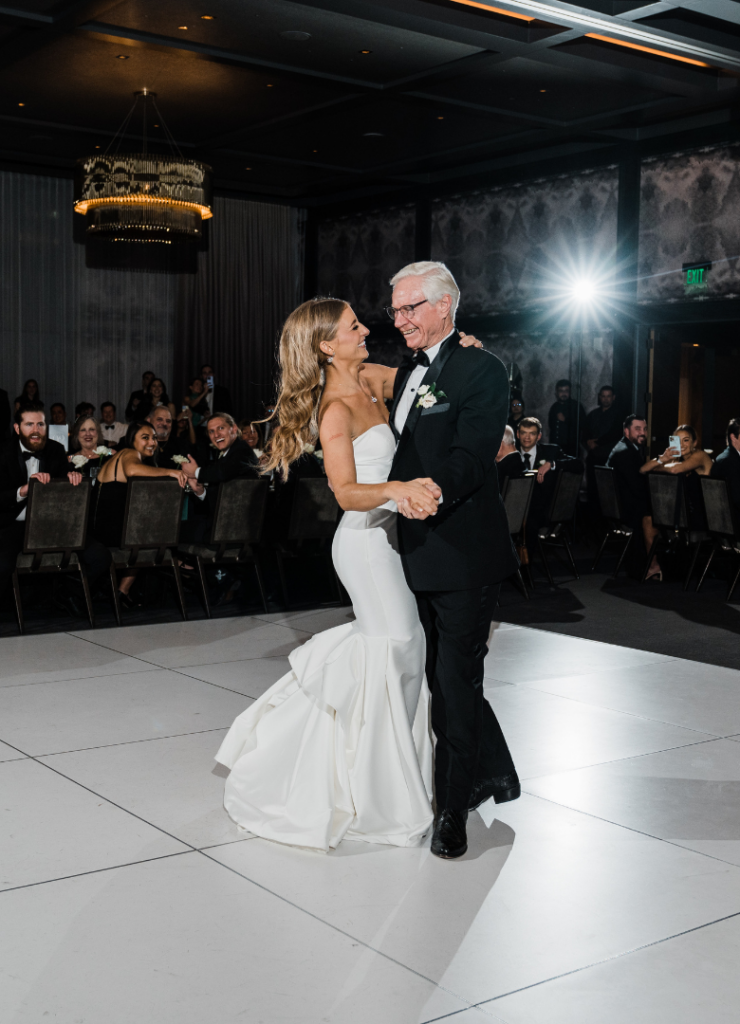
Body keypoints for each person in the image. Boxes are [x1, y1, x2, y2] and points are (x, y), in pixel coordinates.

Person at [215, 287, 490, 856]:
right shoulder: (334, 408)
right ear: (325, 346)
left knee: (401, 656)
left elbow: (424, 381)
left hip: (394, 539)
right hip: (365, 544)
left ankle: (395, 778)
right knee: (398, 649)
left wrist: (460, 351)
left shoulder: (369, 380)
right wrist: (400, 488)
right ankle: (369, 789)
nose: (366, 331)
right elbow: (345, 492)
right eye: (353, 328)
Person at [0, 403, 111, 618]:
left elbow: (66, 484)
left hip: (51, 525)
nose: (36, 430)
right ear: (17, 428)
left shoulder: (55, 450)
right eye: (29, 424)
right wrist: (22, 491)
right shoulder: (2, 452)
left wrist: (72, 478)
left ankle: (67, 594)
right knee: (2, 565)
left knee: (100, 556)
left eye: (40, 424)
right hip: (13, 524)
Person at [90, 420, 189, 608]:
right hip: (106, 533)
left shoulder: (127, 456)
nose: (152, 442)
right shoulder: (128, 453)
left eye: (154, 438)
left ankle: (123, 591)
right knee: (157, 534)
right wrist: (171, 472)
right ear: (131, 440)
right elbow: (133, 470)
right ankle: (182, 565)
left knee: (153, 531)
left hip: (106, 530)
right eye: (145, 438)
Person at [499, 417, 582, 543]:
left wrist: (552, 464)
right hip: (515, 508)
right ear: (517, 434)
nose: (527, 437)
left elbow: (578, 465)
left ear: (539, 436)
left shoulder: (551, 451)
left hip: (541, 512)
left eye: (532, 434)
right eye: (523, 433)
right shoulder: (510, 452)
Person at [607, 414, 661, 580]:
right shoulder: (625, 453)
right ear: (626, 431)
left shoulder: (625, 448)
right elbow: (637, 488)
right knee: (658, 512)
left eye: (644, 429)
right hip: (626, 510)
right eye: (637, 429)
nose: (642, 433)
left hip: (620, 505)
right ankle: (655, 565)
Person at [640, 424, 712, 530]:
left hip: (703, 512)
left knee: (651, 518)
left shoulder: (700, 455)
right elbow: (643, 470)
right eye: (678, 440)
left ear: (694, 442)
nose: (682, 444)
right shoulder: (675, 459)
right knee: (648, 519)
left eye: (686, 440)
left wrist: (658, 468)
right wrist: (662, 459)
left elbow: (675, 470)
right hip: (681, 510)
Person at [547, 378, 586, 457]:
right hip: (556, 446)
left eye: (566, 391)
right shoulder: (554, 407)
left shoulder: (576, 406)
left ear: (570, 392)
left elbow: (583, 424)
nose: (564, 393)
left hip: (571, 447)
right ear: (557, 392)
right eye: (561, 391)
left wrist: (565, 420)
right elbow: (551, 426)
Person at [711, 418, 740, 517]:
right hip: (731, 521)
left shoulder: (729, 457)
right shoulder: (729, 461)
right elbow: (736, 499)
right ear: (733, 437)